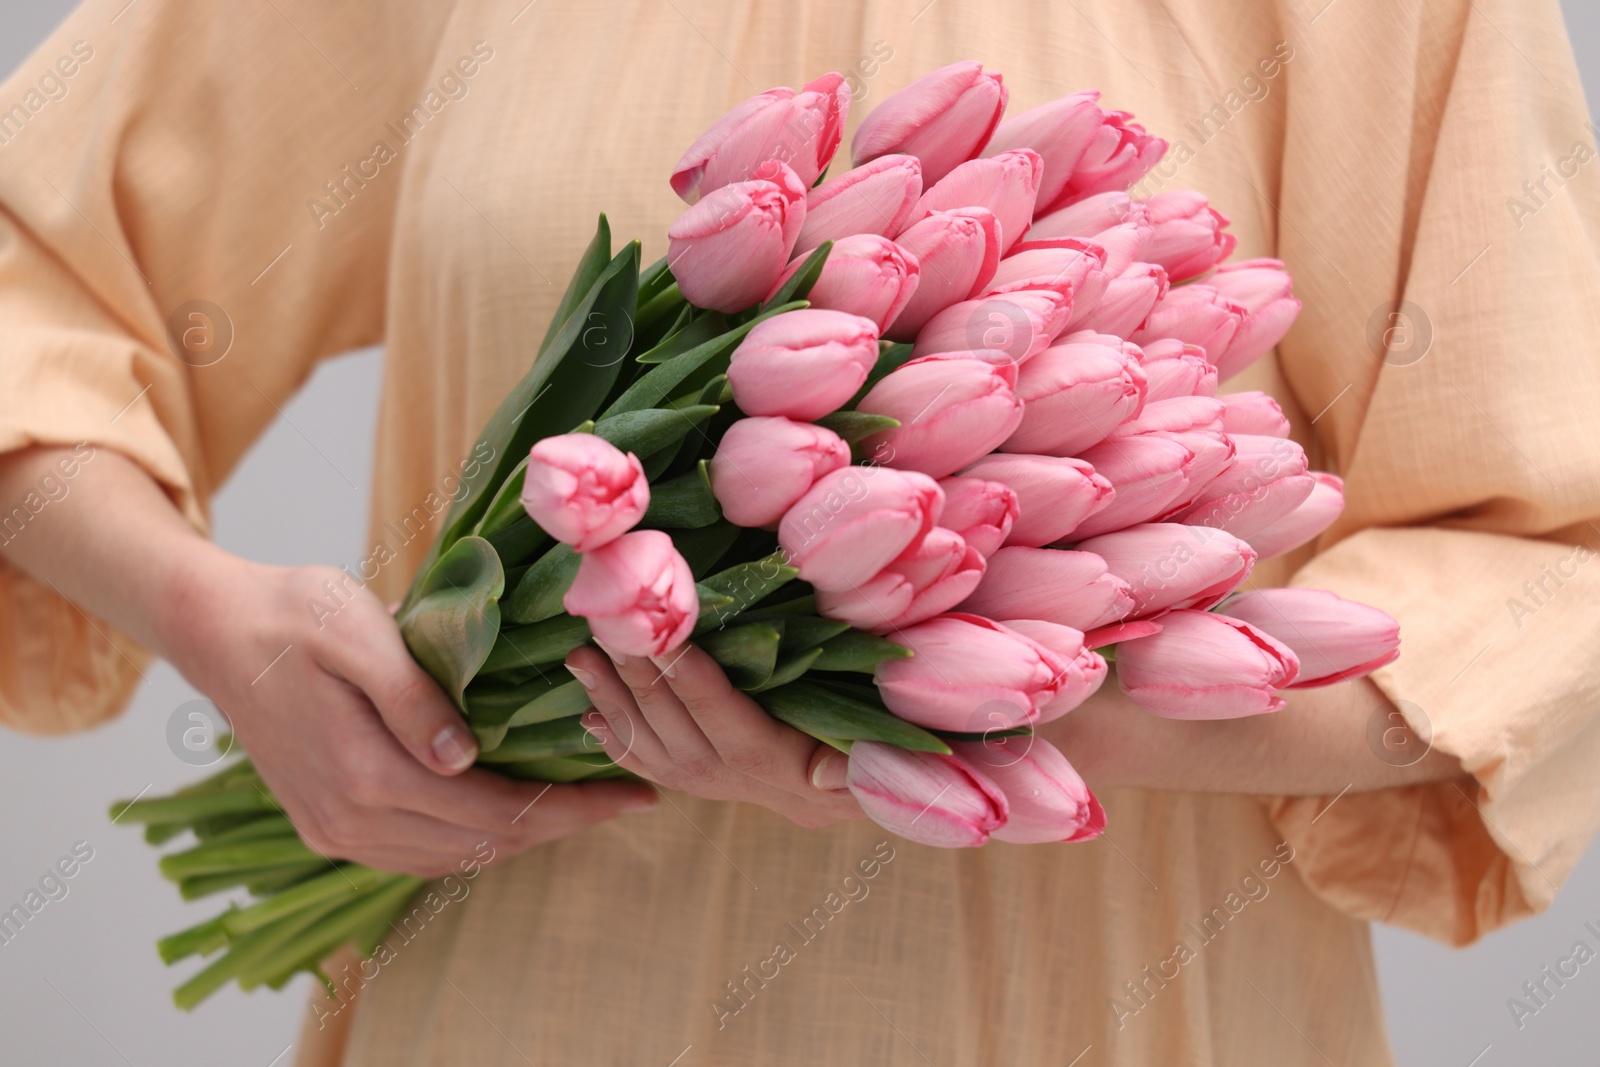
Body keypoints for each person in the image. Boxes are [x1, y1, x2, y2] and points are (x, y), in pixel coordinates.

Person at [2, 0, 1597, 1062]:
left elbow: (1541, 578)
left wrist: (991, 702)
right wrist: (226, 629)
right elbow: (31, 288)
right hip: (520, 1011)